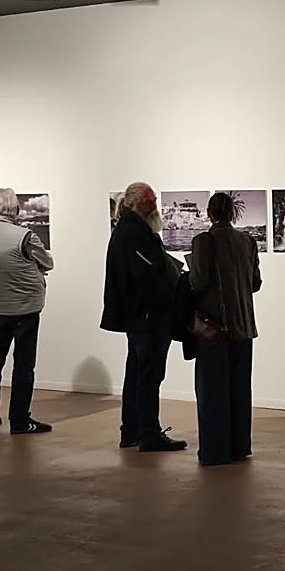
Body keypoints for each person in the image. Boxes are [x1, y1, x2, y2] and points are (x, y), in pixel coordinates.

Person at [101, 182, 187, 452]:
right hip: (148, 318)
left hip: (139, 317)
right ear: (136, 203)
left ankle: (132, 431)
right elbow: (148, 277)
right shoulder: (135, 233)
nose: (155, 205)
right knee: (149, 377)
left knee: (137, 375)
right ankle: (148, 433)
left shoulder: (128, 230)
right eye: (150, 201)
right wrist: (173, 294)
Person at [0, 188, 55, 434]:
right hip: (25, 309)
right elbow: (48, 262)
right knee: (23, 365)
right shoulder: (25, 236)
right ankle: (19, 419)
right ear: (16, 210)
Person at [189, 193, 262, 466]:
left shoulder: (203, 241)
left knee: (212, 393)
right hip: (244, 328)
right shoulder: (248, 242)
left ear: (209, 213)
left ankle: (215, 451)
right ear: (232, 213)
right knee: (240, 391)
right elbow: (255, 283)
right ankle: (239, 447)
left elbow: (198, 282)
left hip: (214, 329)